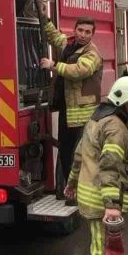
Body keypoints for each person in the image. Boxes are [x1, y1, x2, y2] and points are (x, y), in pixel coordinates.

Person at [65, 76, 128, 255]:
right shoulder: (116, 128)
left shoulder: (96, 119)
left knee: (98, 251)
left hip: (90, 197)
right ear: (121, 101)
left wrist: (71, 183)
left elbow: (78, 154)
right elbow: (110, 167)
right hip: (101, 201)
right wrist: (111, 206)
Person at [40, 16, 103, 204]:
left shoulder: (92, 53)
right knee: (66, 153)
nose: (83, 35)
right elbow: (56, 37)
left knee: (81, 157)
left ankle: (79, 193)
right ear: (75, 30)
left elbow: (79, 71)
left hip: (84, 115)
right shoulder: (69, 44)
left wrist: (54, 65)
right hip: (68, 112)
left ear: (92, 34)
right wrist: (44, 18)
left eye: (87, 32)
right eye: (80, 30)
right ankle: (66, 191)